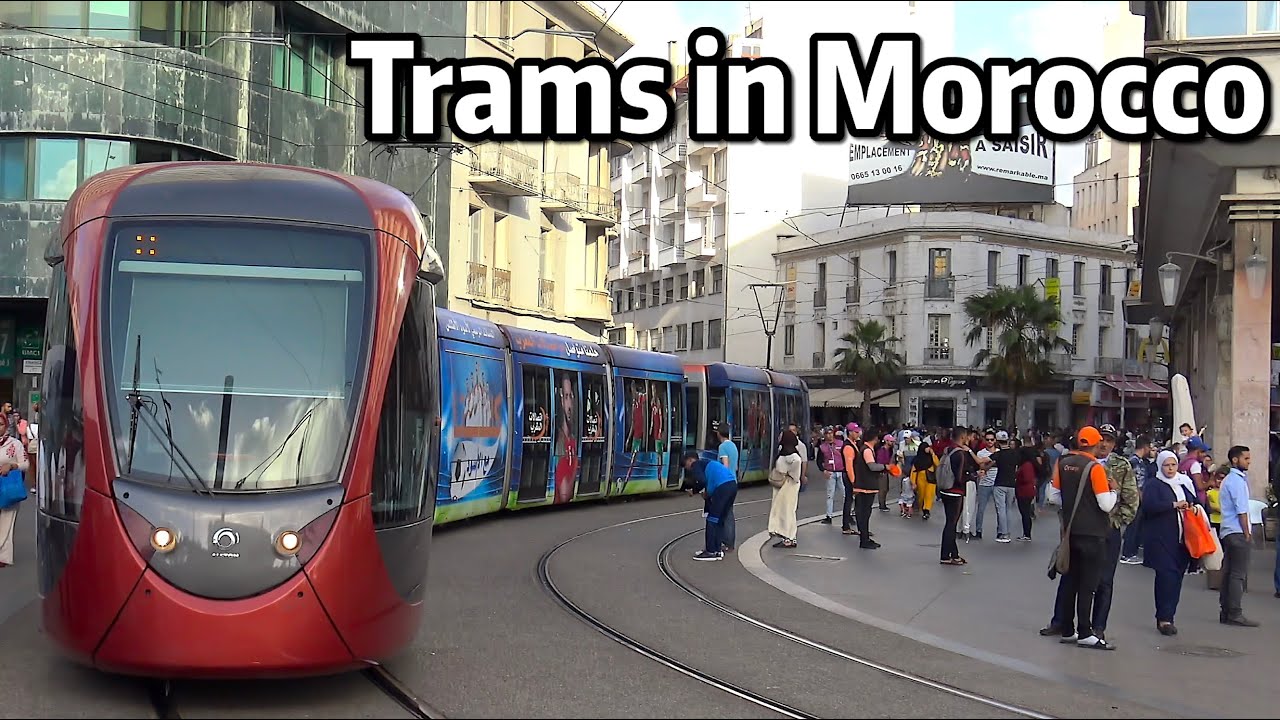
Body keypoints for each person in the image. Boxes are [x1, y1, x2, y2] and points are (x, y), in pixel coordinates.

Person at [1048, 426, 1118, 650]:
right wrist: (1114, 491)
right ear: (1095, 444)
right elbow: (1105, 504)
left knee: (1070, 583)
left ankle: (1068, 629)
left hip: (1071, 533)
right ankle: (1086, 632)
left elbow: (1053, 496)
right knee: (1088, 585)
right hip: (1093, 533)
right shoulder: (1094, 467)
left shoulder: (1063, 462)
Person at [1141, 450, 1202, 636]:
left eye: (1173, 465)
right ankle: (1163, 618)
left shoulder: (1183, 483)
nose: (1170, 468)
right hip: (1161, 540)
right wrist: (1173, 506)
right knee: (1166, 577)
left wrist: (1192, 507)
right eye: (1166, 465)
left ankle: (1170, 615)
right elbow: (1148, 507)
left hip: (1183, 541)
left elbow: (1195, 501)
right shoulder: (1154, 484)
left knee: (1176, 578)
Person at [1092, 424, 1139, 643]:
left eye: (1109, 440)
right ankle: (1066, 622)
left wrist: (1119, 522)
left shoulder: (1121, 465)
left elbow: (1131, 497)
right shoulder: (1084, 460)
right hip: (1084, 528)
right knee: (1077, 577)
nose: (1104, 444)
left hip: (1109, 528)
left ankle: (1098, 626)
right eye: (1101, 439)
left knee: (1105, 580)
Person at [1218, 445, 1260, 626]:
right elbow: (1241, 510)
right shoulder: (1236, 481)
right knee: (1238, 574)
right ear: (1235, 460)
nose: (1249, 462)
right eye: (1246, 458)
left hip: (1228, 529)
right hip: (1236, 530)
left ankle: (1226, 610)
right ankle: (1235, 612)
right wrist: (1247, 533)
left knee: (1229, 572)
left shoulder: (1229, 480)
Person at [681, 451, 738, 562]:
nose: (687, 468)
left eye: (685, 465)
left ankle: (710, 551)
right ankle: (717, 550)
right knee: (720, 519)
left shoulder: (696, 464)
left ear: (690, 460)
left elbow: (702, 481)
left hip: (722, 488)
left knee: (712, 519)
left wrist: (694, 490)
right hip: (732, 485)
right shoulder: (709, 463)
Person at [939, 427, 984, 565]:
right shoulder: (960, 454)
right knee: (951, 524)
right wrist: (974, 475)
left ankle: (953, 554)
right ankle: (946, 556)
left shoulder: (948, 450)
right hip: (955, 491)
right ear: (963, 437)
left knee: (949, 522)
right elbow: (960, 477)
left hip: (945, 489)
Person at [843, 423, 886, 549]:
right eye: (855, 432)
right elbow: (852, 466)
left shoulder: (859, 447)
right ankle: (863, 538)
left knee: (863, 511)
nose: (858, 434)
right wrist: (853, 482)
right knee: (862, 511)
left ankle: (865, 536)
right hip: (863, 485)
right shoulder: (858, 448)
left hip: (863, 484)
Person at [0, 412, 29, 568]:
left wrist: (11, 466)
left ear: (6, 425)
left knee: (6, 521)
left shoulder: (14, 444)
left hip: (8, 486)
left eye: (1, 424)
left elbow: (25, 464)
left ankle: (3, 557)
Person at [1122, 436, 1157, 564]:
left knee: (1136, 525)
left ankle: (1131, 550)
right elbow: (1136, 482)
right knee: (1134, 525)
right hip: (1136, 498)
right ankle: (1128, 553)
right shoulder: (1136, 462)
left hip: (1136, 497)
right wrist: (1141, 498)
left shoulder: (1138, 461)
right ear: (1145, 447)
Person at [767, 429, 804, 548]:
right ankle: (788, 536)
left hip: (787, 485)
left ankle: (788, 537)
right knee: (786, 510)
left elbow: (791, 469)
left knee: (786, 511)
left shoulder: (790, 457)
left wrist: (789, 474)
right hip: (788, 484)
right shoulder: (790, 454)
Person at [715, 425, 739, 552]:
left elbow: (725, 465)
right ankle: (730, 542)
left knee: (725, 514)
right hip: (733, 481)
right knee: (729, 512)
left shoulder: (722, 447)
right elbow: (734, 467)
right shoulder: (733, 446)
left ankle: (726, 542)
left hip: (725, 482)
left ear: (719, 433)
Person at [817, 427, 844, 525]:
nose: (829, 435)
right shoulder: (822, 447)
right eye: (827, 434)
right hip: (830, 472)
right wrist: (823, 470)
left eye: (830, 433)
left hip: (841, 471)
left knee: (846, 494)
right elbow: (819, 461)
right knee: (830, 495)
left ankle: (848, 514)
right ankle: (829, 516)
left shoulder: (841, 444)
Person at [911, 439, 938, 521]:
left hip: (931, 479)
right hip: (921, 479)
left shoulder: (931, 457)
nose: (928, 449)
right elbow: (914, 471)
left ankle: (927, 510)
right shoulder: (917, 459)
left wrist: (933, 454)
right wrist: (913, 482)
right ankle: (922, 507)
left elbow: (938, 464)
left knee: (929, 495)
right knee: (921, 496)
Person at [1015, 445, 1038, 541]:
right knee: (1025, 512)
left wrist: (1017, 478)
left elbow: (1027, 478)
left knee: (1025, 513)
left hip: (1024, 491)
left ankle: (1027, 534)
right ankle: (1026, 533)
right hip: (1027, 490)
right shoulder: (1029, 464)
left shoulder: (1026, 465)